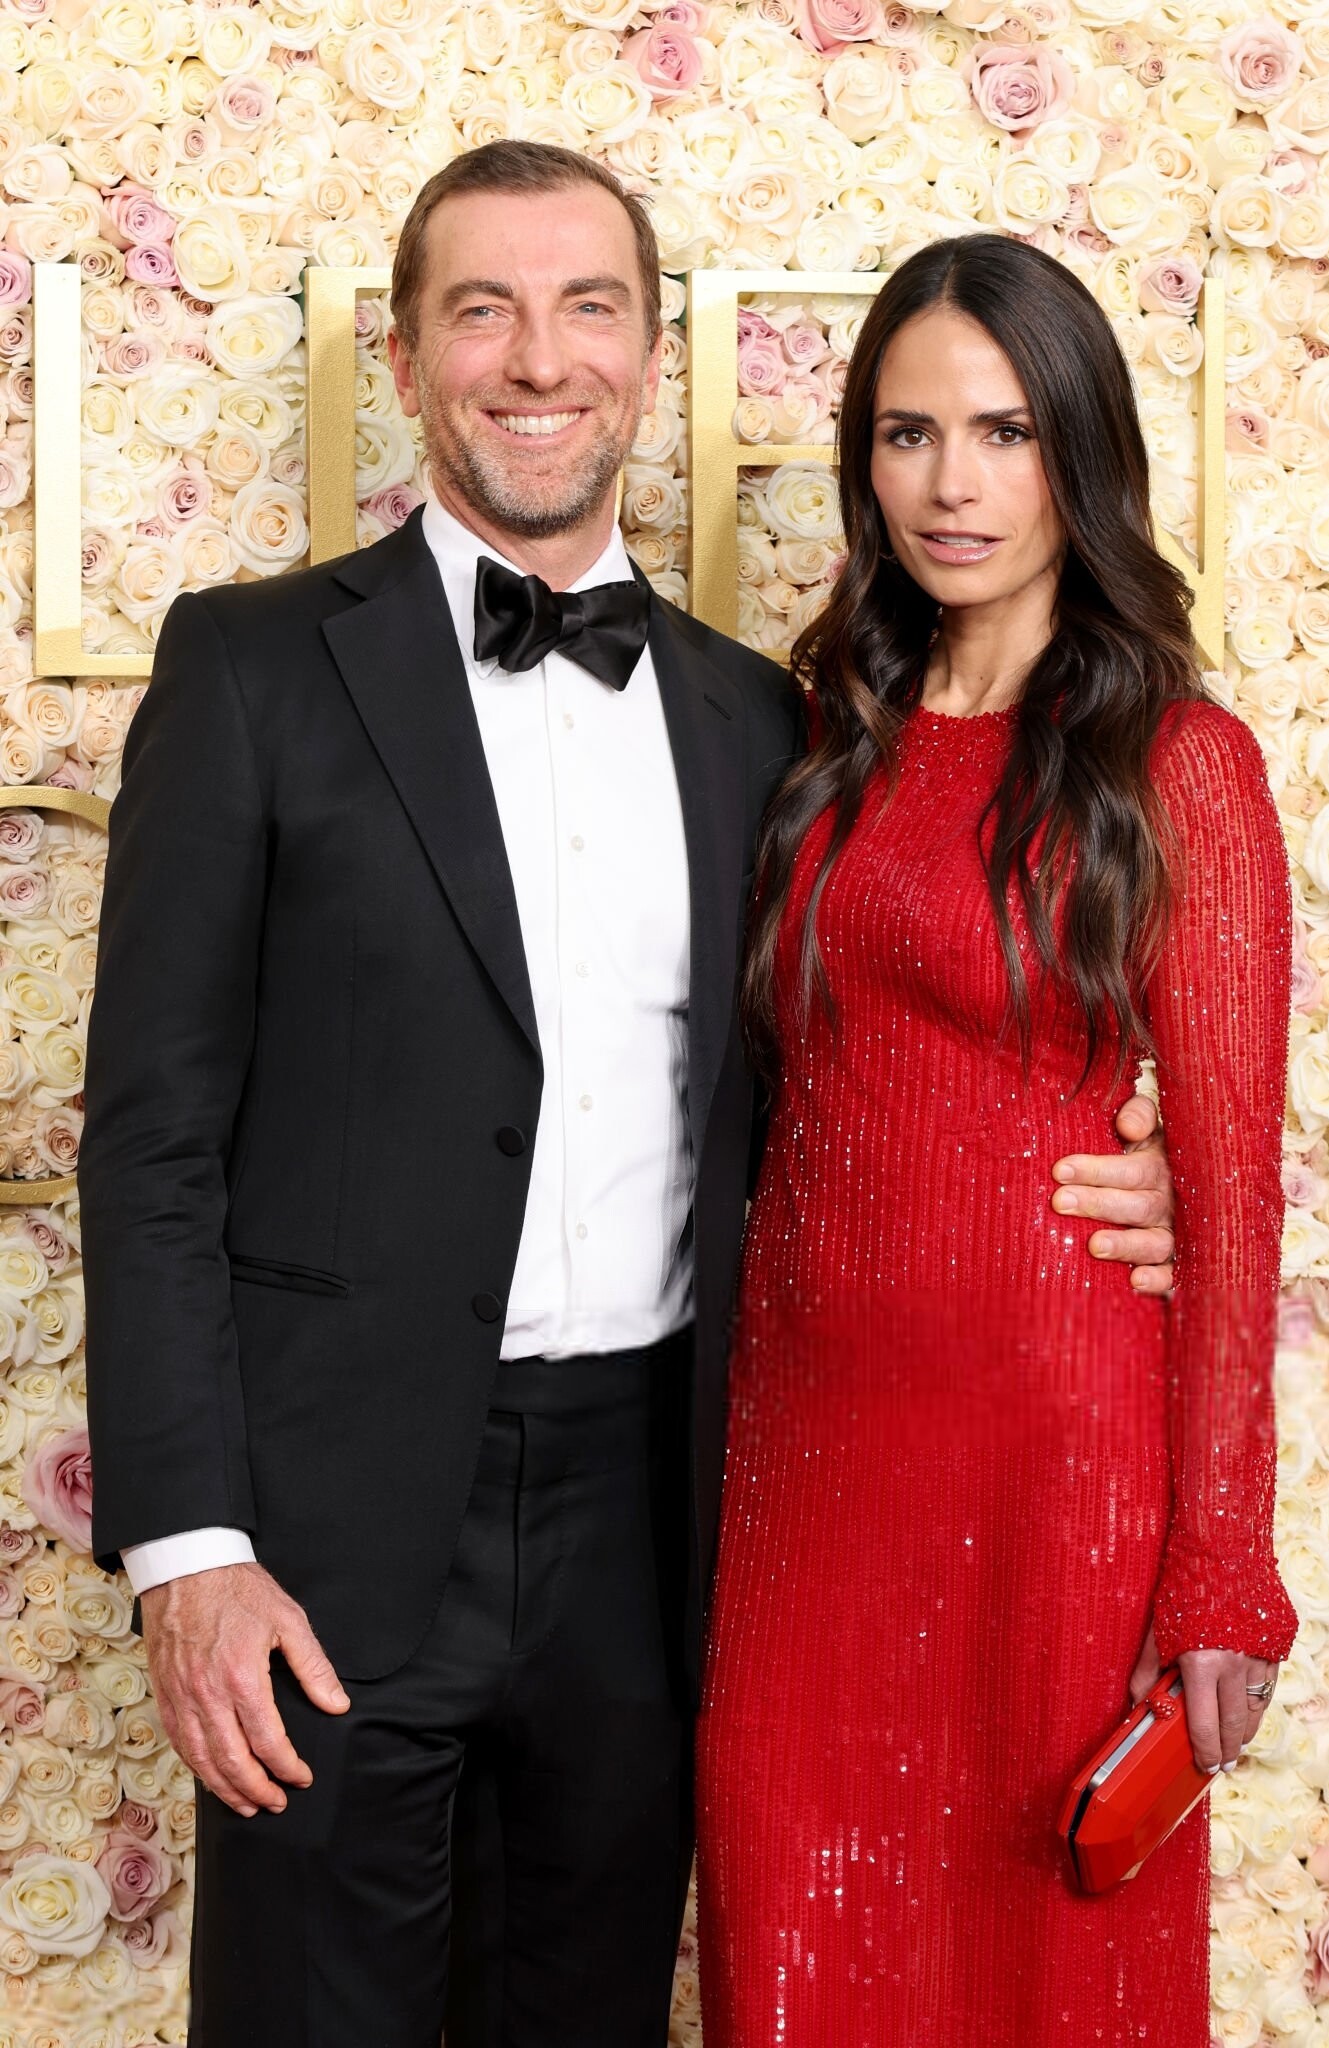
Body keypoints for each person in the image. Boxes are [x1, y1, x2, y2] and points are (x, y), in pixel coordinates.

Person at [79, 150, 1174, 2048]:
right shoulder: (249, 669)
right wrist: (193, 1550)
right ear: (405, 356)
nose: (537, 359)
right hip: (324, 1537)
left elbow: (868, 1073)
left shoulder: (766, 723)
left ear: (651, 358)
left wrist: (1111, 1177)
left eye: (587, 307)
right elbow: (152, 1133)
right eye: (482, 311)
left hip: (658, 1530)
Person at [695, 232, 1298, 2047]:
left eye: (1004, 432)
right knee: (790, 1953)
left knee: (1045, 1979)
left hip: (1055, 1475)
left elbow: (1234, 1193)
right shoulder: (819, 736)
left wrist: (1217, 1568)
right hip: (803, 1472)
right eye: (906, 433)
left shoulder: (1176, 762)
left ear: (1077, 453)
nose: (949, 484)